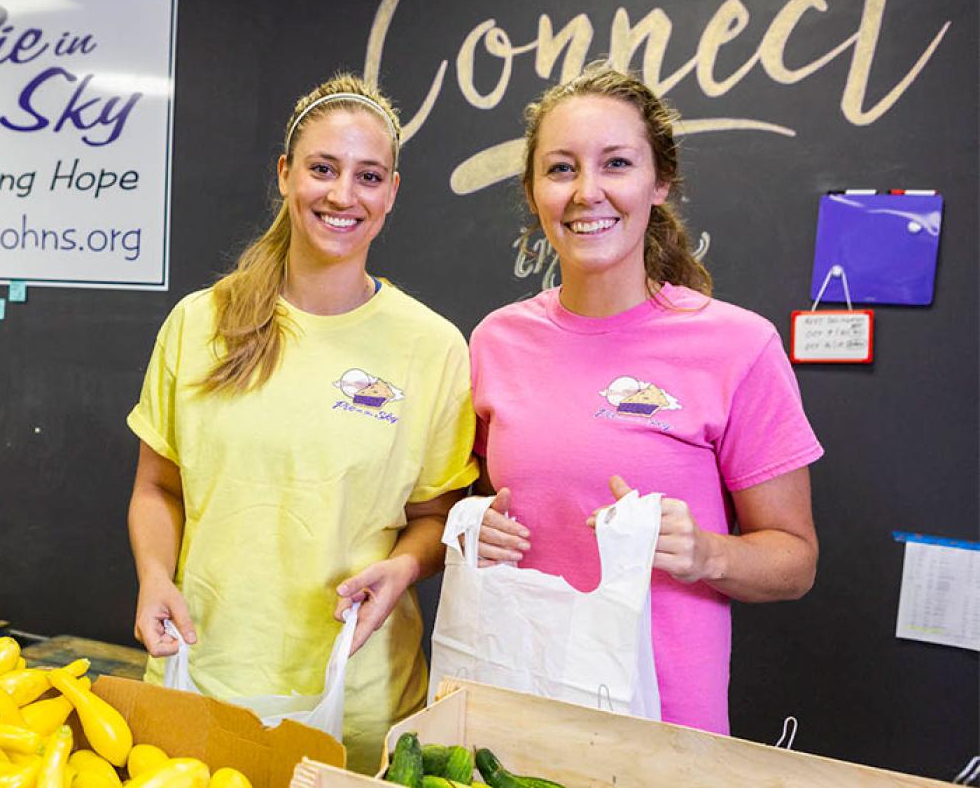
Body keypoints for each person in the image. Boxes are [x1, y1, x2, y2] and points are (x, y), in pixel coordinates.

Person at [126, 74, 478, 769]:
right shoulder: (200, 323)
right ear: (286, 175)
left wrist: (404, 568)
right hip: (197, 677)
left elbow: (439, 515)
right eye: (322, 169)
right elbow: (155, 488)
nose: (343, 195)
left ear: (392, 193)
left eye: (368, 176)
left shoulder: (432, 347)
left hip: (358, 700)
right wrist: (153, 577)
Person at [468, 63, 822, 735]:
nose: (587, 192)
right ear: (534, 190)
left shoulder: (737, 346)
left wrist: (708, 554)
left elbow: (795, 560)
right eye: (562, 169)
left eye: (617, 164)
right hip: (518, 706)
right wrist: (474, 524)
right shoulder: (496, 342)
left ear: (659, 184)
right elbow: (480, 497)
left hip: (665, 727)